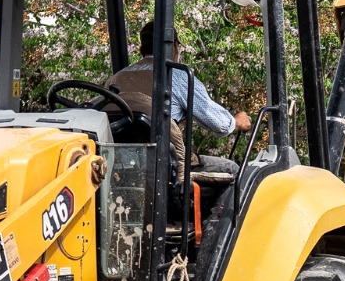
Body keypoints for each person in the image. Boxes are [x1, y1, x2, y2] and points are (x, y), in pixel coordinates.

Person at [106, 23, 252, 177]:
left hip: (124, 166)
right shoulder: (176, 75)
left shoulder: (115, 79)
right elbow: (219, 123)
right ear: (173, 46)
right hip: (167, 168)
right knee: (233, 169)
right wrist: (236, 121)